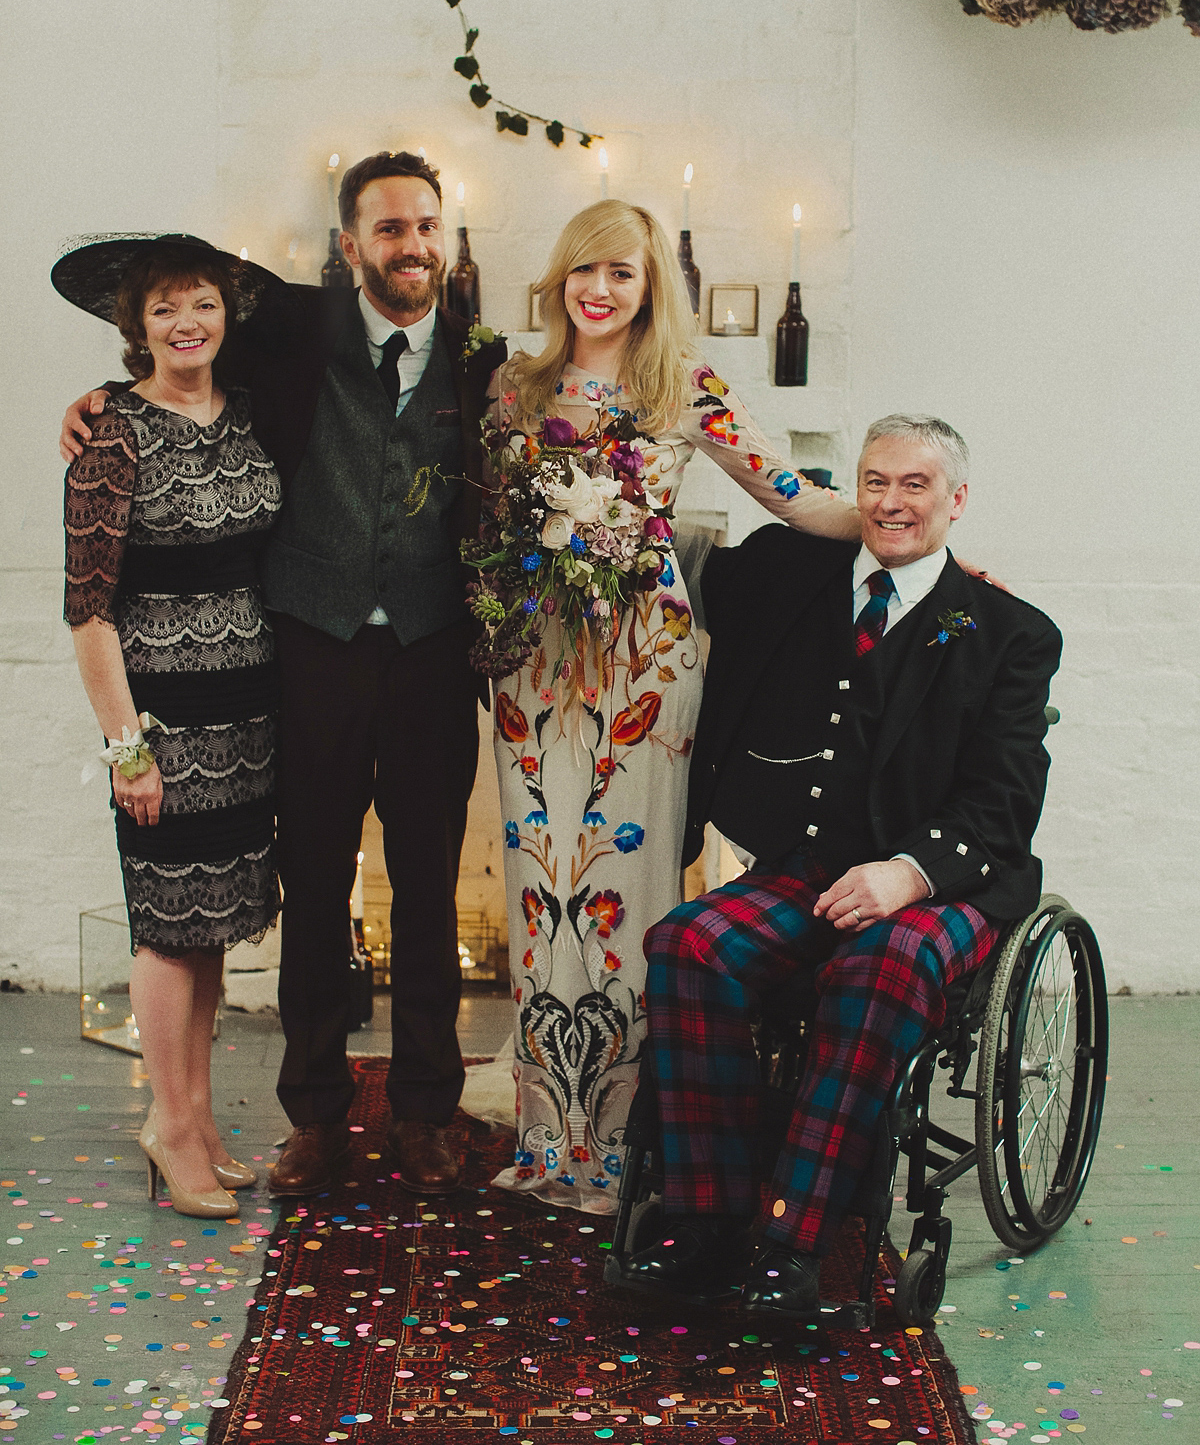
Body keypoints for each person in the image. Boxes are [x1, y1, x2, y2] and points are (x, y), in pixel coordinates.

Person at [59, 153, 507, 1199]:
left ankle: (427, 1110)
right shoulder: (292, 330)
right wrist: (93, 405)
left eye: (427, 226)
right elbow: (174, 353)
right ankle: (315, 1116)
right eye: (389, 229)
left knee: (431, 890)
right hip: (309, 649)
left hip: (434, 656)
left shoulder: (482, 359)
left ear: (444, 236)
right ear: (349, 244)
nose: (412, 246)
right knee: (313, 887)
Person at [611, 414, 1062, 1316]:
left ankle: (791, 1242)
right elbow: (663, 546)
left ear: (957, 501)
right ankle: (707, 1220)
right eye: (876, 482)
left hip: (946, 882)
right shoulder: (792, 572)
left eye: (917, 486)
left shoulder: (1007, 633)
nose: (892, 503)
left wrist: (907, 873)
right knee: (688, 945)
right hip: (812, 865)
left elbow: (1005, 807)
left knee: (878, 967)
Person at [483, 199, 861, 1210]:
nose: (600, 292)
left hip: (642, 657)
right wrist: (545, 548)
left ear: (651, 288)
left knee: (627, 879)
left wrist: (899, 523)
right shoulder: (516, 388)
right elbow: (487, 519)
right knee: (537, 883)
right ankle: (546, 1135)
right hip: (533, 658)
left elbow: (791, 494)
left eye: (622, 275)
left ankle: (620, 1140)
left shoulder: (684, 387)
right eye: (584, 273)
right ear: (559, 282)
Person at [56, 233, 285, 1218]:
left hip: (249, 713)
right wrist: (127, 748)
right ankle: (169, 1121)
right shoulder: (112, 434)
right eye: (164, 310)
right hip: (162, 715)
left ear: (226, 313)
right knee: (165, 922)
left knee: (214, 924)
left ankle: (193, 1119)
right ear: (134, 327)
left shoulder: (250, 416)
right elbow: (88, 610)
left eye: (202, 304)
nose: (186, 324)